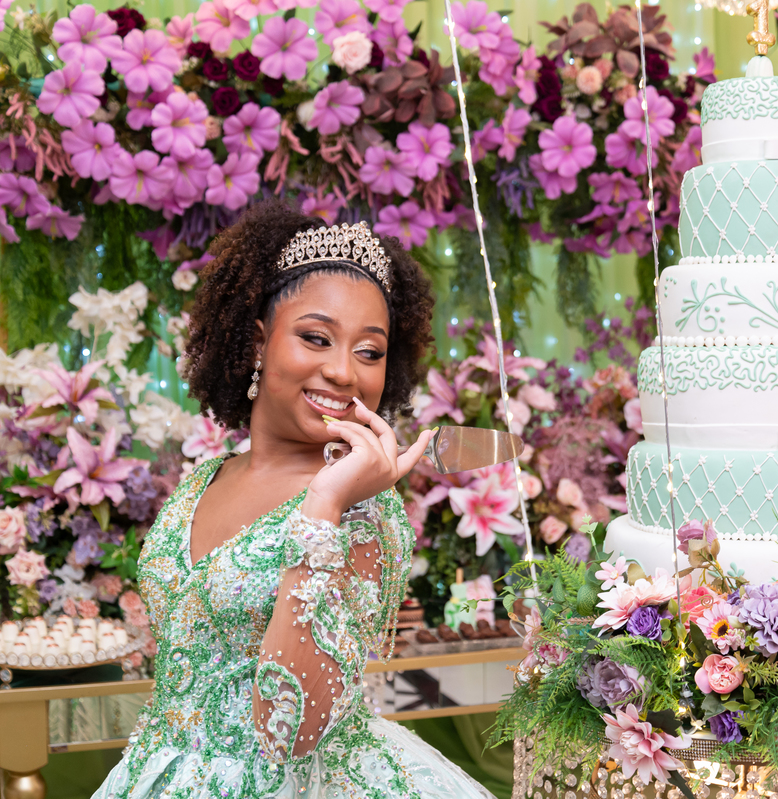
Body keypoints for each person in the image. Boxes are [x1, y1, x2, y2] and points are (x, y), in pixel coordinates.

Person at [93, 202, 495, 798]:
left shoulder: (361, 509)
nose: (343, 372)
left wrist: (324, 506)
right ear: (258, 343)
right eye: (316, 338)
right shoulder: (204, 479)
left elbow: (291, 730)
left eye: (369, 351)